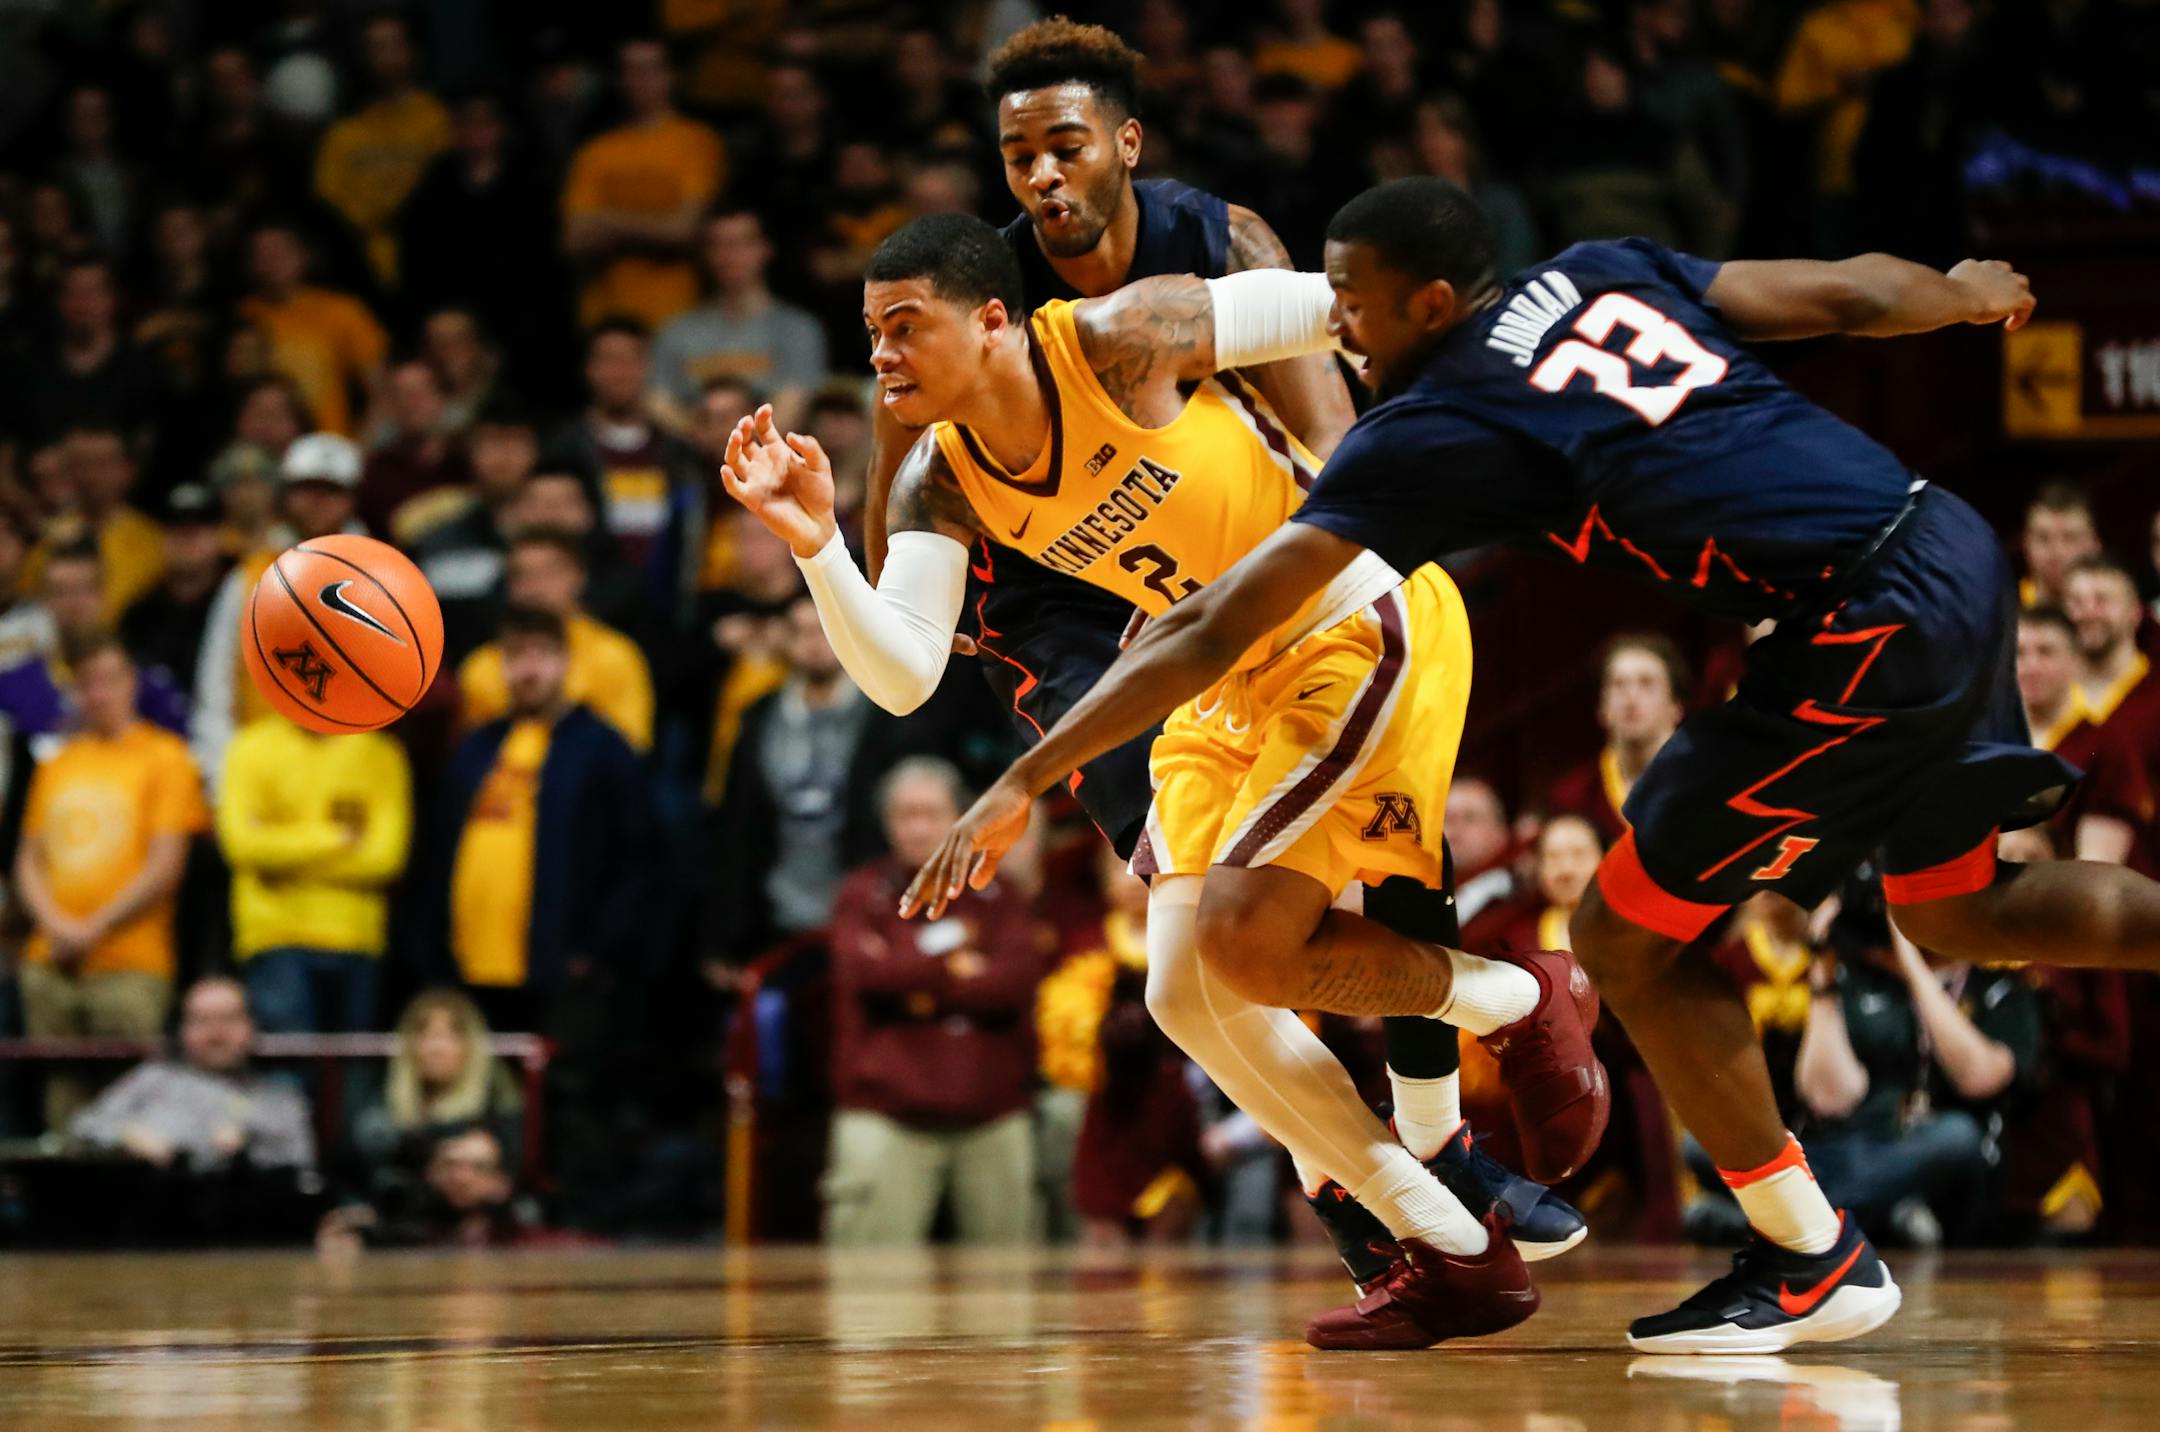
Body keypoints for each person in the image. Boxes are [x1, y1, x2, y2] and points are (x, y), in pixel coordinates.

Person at [908, 174, 2149, 1354]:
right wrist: (1964, 288)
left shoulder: (1438, 421)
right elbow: (1844, 299)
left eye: (1354, 298)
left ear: (1433, 305)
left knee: (1622, 939)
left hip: (1862, 617)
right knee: (1966, 909)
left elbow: (1208, 624)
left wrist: (1026, 776)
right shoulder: (1596, 271)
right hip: (1950, 540)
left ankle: (1809, 1254)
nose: (1331, 321)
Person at [723, 210, 1602, 1348]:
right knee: (1182, 992)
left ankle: (1515, 999)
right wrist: (815, 542)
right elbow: (900, 675)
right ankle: (1449, 1247)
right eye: (870, 332)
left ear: (993, 321)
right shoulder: (937, 479)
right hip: (1213, 677)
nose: (880, 356)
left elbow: (1338, 310)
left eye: (904, 327)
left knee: (1245, 943)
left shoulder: (1120, 337)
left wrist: (1501, 399)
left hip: (1346, 621)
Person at [855, 16, 1575, 1307]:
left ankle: (1449, 1133)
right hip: (1120, 644)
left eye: (1064, 146)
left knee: (1321, 898)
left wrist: (1407, 503)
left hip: (1290, 605)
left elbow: (1347, 385)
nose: (1040, 177)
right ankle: (1414, 1226)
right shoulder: (947, 355)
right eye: (1016, 154)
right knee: (1189, 986)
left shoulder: (1165, 299)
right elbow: (901, 619)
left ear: (1125, 144)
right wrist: (815, 542)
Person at [822, 758, 1044, 1246]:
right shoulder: (861, 895)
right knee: (870, 1295)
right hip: (885, 1113)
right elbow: (869, 976)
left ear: (960, 818)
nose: (918, 827)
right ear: (886, 823)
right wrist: (956, 962)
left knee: (1008, 1294)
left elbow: (1016, 983)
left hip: (992, 1112)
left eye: (930, 813)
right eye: (905, 815)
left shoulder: (999, 894)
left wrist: (911, 975)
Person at [426, 605, 653, 1035]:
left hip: (562, 971)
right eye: (515, 656)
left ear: (566, 661)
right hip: (467, 964)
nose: (528, 670)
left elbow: (637, 857)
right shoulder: (476, 746)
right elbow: (439, 849)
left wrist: (598, 948)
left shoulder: (602, 747)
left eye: (542, 654)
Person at [14, 637, 207, 1127]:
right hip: (50, 961)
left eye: (109, 680)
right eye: (87, 683)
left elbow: (165, 867)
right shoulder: (57, 764)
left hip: (130, 961)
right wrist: (57, 926)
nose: (98, 694)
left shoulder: (166, 758)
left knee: (132, 1097)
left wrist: (91, 927)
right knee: (61, 1098)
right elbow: (28, 861)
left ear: (132, 684)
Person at [709, 595, 919, 959]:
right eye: (802, 631)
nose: (814, 643)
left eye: (825, 629)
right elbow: (737, 826)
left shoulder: (890, 714)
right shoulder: (758, 717)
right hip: (777, 917)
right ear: (784, 640)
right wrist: (726, 934)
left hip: (869, 918)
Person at [215, 707, 412, 1034]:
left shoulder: (380, 753)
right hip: (274, 936)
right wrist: (336, 837)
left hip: (356, 938)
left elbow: (384, 858)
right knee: (286, 1071)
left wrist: (278, 849)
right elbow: (242, 847)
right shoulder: (250, 748)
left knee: (351, 1071)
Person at [192, 431, 365, 784]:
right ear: (286, 495)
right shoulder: (252, 575)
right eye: (306, 489)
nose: (317, 502)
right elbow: (216, 684)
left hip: (347, 771)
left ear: (351, 499)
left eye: (331, 491)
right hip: (261, 774)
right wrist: (221, 774)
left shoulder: (381, 578)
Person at [561, 38, 726, 330]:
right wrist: (654, 228)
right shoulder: (596, 152)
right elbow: (574, 239)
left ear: (673, 75)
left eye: (651, 69)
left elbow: (684, 229)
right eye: (632, 71)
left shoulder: (697, 141)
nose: (641, 81)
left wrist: (610, 220)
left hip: (677, 314)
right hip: (606, 316)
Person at [70, 975, 314, 1172]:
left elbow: (301, 1162)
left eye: (228, 1019)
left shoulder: (278, 1096)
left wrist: (248, 1147)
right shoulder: (152, 1079)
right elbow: (84, 1126)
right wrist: (126, 1136)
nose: (215, 1034)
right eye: (201, 1021)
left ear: (250, 1026)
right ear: (182, 1029)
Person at [548, 319, 704, 623]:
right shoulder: (562, 450)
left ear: (648, 369)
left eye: (630, 360)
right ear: (588, 370)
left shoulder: (681, 452)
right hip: (591, 611)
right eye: (607, 360)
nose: (619, 372)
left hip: (669, 613)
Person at [455, 528, 653, 752]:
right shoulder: (480, 666)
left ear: (579, 576)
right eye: (521, 575)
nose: (534, 588)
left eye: (548, 573)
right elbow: (469, 762)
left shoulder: (615, 657)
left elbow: (630, 754)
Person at [649, 211, 827, 435]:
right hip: (690, 459)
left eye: (741, 243)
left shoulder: (799, 330)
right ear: (706, 254)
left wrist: (738, 443)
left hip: (770, 457)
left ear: (766, 249)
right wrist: (704, 439)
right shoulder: (676, 331)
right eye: (718, 245)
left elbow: (792, 409)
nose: (729, 255)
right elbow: (657, 403)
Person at [312, 12, 449, 288]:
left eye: (393, 45)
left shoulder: (441, 121)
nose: (385, 56)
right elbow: (327, 203)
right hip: (359, 269)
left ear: (413, 52)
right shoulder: (344, 133)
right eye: (375, 47)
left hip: (432, 264)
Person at [349, 988, 525, 1201]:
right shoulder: (381, 1108)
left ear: (471, 1045)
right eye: (425, 1035)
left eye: (451, 1036)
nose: (436, 1048)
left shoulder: (498, 1109)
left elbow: (512, 1186)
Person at [2017, 605, 2148, 865]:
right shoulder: (1985, 739)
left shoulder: (2106, 745)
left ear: (2077, 661)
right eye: (2019, 653)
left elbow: (2098, 868)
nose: (2031, 666)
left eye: (2046, 652)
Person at [237, 224, 388, 437]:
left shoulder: (341, 311)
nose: (270, 262)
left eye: (279, 251)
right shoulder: (242, 317)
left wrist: (361, 448)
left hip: (329, 450)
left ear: (303, 256)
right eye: (261, 254)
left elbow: (380, 391)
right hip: (259, 456)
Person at [1545, 635, 1689, 845]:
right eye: (1618, 685)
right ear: (1601, 709)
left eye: (1646, 683)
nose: (1631, 698)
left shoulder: (1710, 783)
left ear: (1676, 707)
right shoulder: (1572, 798)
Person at [119, 484, 231, 704]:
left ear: (219, 535)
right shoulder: (140, 615)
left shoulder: (240, 601)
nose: (187, 538)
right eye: (177, 528)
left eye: (199, 528)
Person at [2019, 483, 2099, 609]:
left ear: (2094, 545)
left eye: (2070, 538)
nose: (2056, 552)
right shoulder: (2001, 615)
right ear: (2025, 545)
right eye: (2043, 538)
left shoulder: (2114, 614)